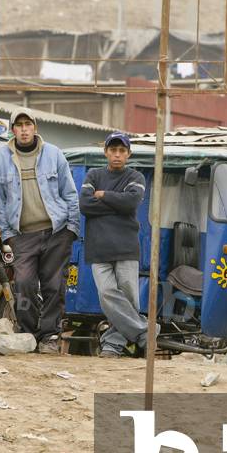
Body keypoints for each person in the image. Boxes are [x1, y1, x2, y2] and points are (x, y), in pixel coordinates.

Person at [0, 110, 80, 354]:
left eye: (27, 124)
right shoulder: (0, 159)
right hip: (22, 236)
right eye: (18, 125)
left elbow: (70, 193)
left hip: (56, 231)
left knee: (54, 286)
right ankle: (29, 333)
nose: (23, 129)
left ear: (35, 127)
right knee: (24, 283)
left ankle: (50, 335)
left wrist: (71, 228)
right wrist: (8, 235)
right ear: (12, 130)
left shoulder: (54, 154)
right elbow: (0, 200)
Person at [78, 131, 149, 358]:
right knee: (108, 294)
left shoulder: (136, 176)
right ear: (106, 152)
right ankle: (146, 333)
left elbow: (130, 203)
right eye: (113, 150)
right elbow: (85, 205)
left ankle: (112, 344)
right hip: (98, 248)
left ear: (128, 154)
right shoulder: (93, 174)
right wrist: (115, 200)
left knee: (128, 299)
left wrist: (103, 195)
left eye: (121, 151)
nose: (117, 154)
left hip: (127, 248)